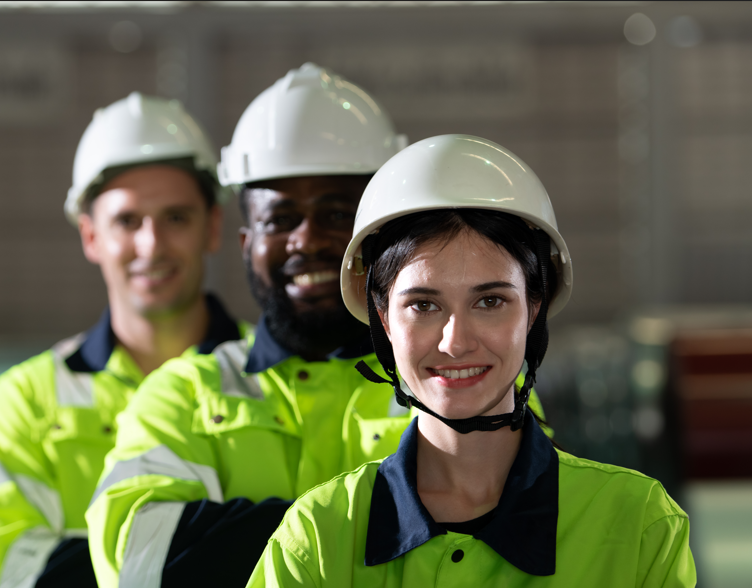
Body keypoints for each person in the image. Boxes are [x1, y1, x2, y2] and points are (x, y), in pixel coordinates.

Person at [86, 66, 547, 588]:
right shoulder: (177, 397)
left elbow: (506, 552)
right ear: (246, 244)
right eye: (281, 219)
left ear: (375, 242)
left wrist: (232, 532)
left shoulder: (459, 375)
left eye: (335, 215)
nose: (307, 240)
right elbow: (140, 567)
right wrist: (392, 529)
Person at [247, 134, 697, 587]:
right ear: (383, 319)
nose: (455, 342)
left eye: (490, 302)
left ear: (533, 309)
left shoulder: (638, 524)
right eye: (423, 305)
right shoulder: (318, 536)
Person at [0, 93, 247, 588]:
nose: (151, 244)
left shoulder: (279, 374)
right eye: (127, 221)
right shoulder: (22, 403)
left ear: (213, 227)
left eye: (176, 217)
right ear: (91, 236)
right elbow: (16, 575)